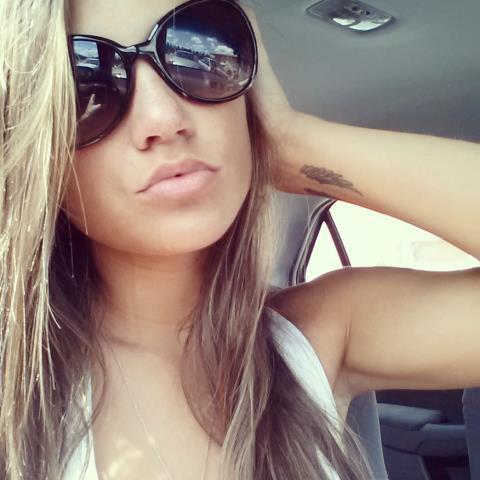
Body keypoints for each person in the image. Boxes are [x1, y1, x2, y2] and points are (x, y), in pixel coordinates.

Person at [0, 0, 479, 479]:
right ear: (35, 145)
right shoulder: (16, 386)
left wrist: (290, 141)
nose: (164, 119)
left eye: (196, 50)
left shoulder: (321, 331)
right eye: (86, 84)